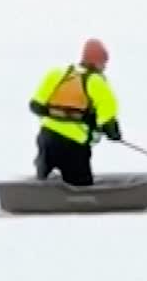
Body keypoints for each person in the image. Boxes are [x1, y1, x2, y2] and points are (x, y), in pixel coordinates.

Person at [28, 38, 122, 186]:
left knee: (42, 184)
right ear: (99, 62)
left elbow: (35, 106)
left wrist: (57, 113)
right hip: (73, 145)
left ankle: (33, 198)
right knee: (80, 186)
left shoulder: (56, 74)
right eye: (104, 63)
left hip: (47, 138)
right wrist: (114, 135)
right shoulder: (97, 82)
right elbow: (108, 121)